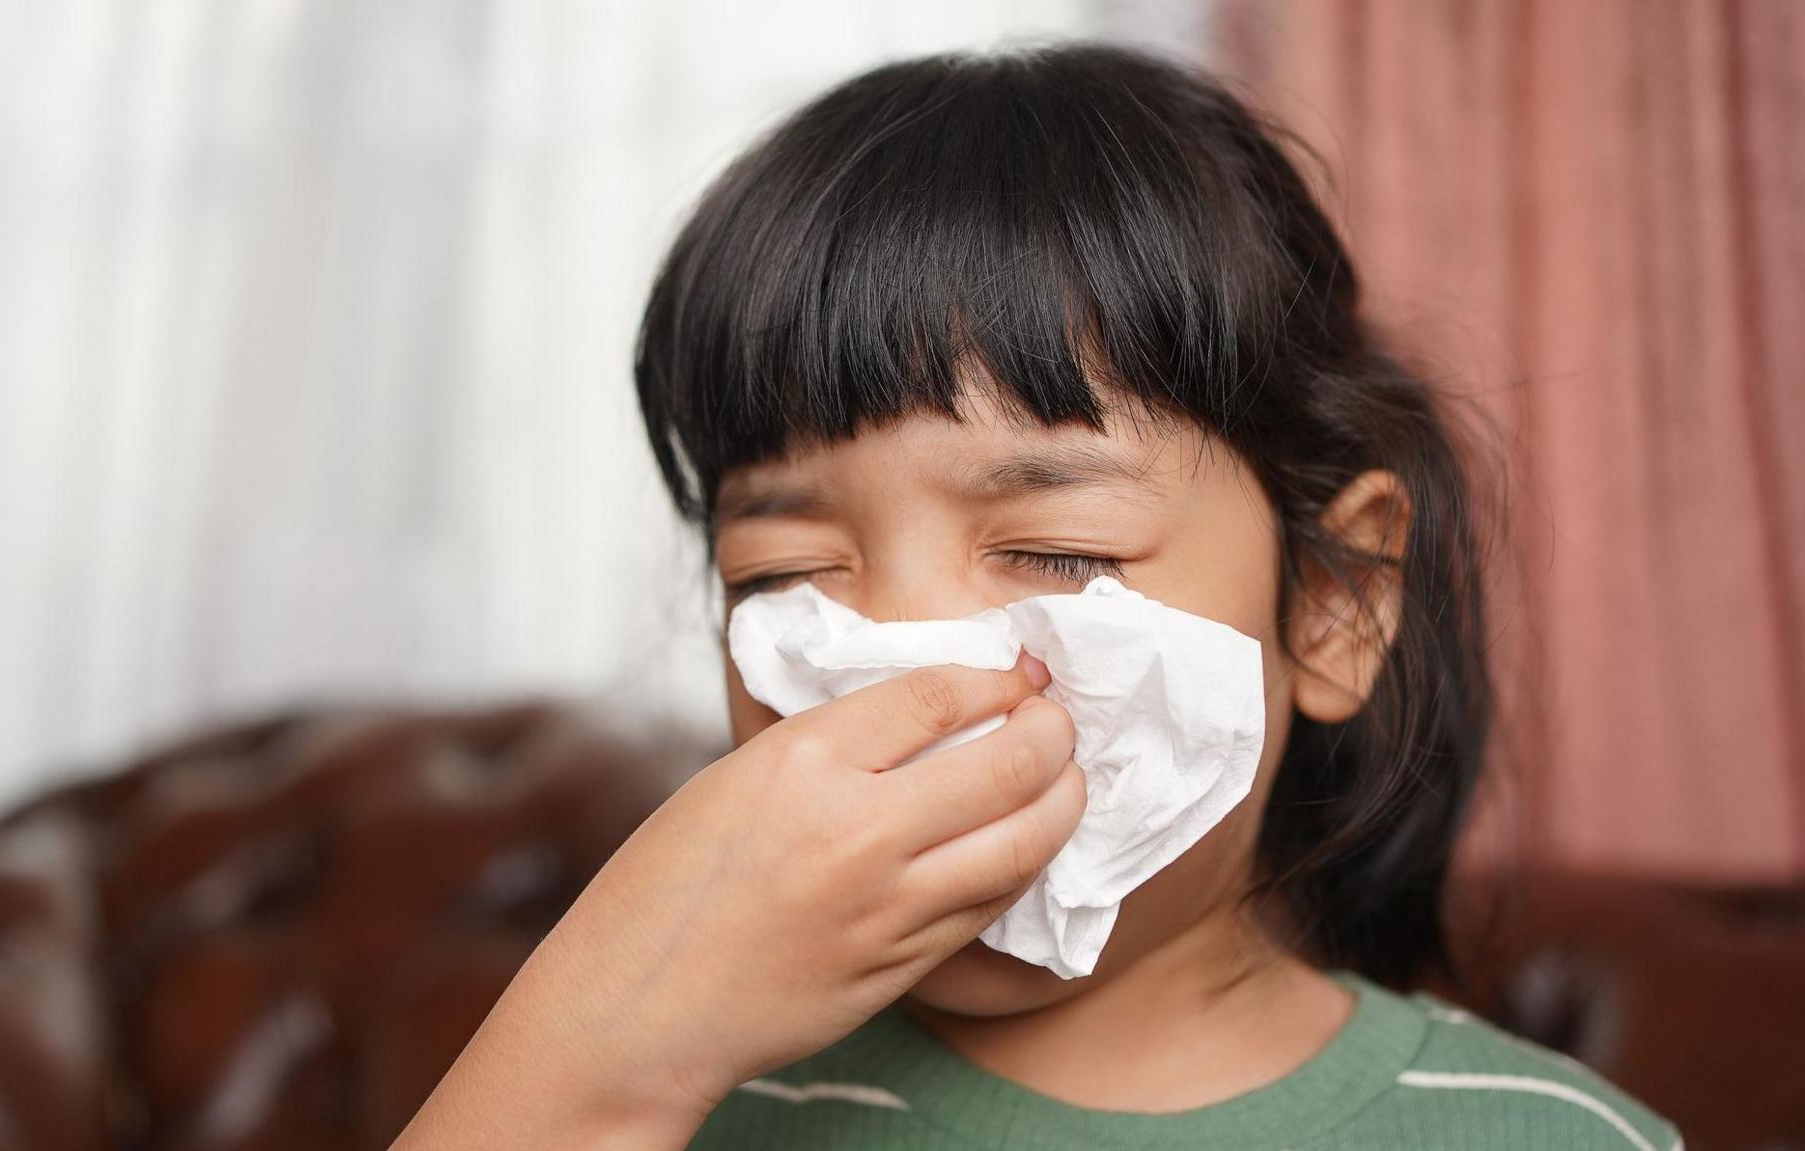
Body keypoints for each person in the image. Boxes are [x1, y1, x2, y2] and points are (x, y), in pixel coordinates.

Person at [398, 44, 1679, 1150]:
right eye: (782, 575)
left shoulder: (1542, 1133)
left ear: (1333, 600)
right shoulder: (667, 1103)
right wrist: (606, 1049)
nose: (900, 664)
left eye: (1057, 555)